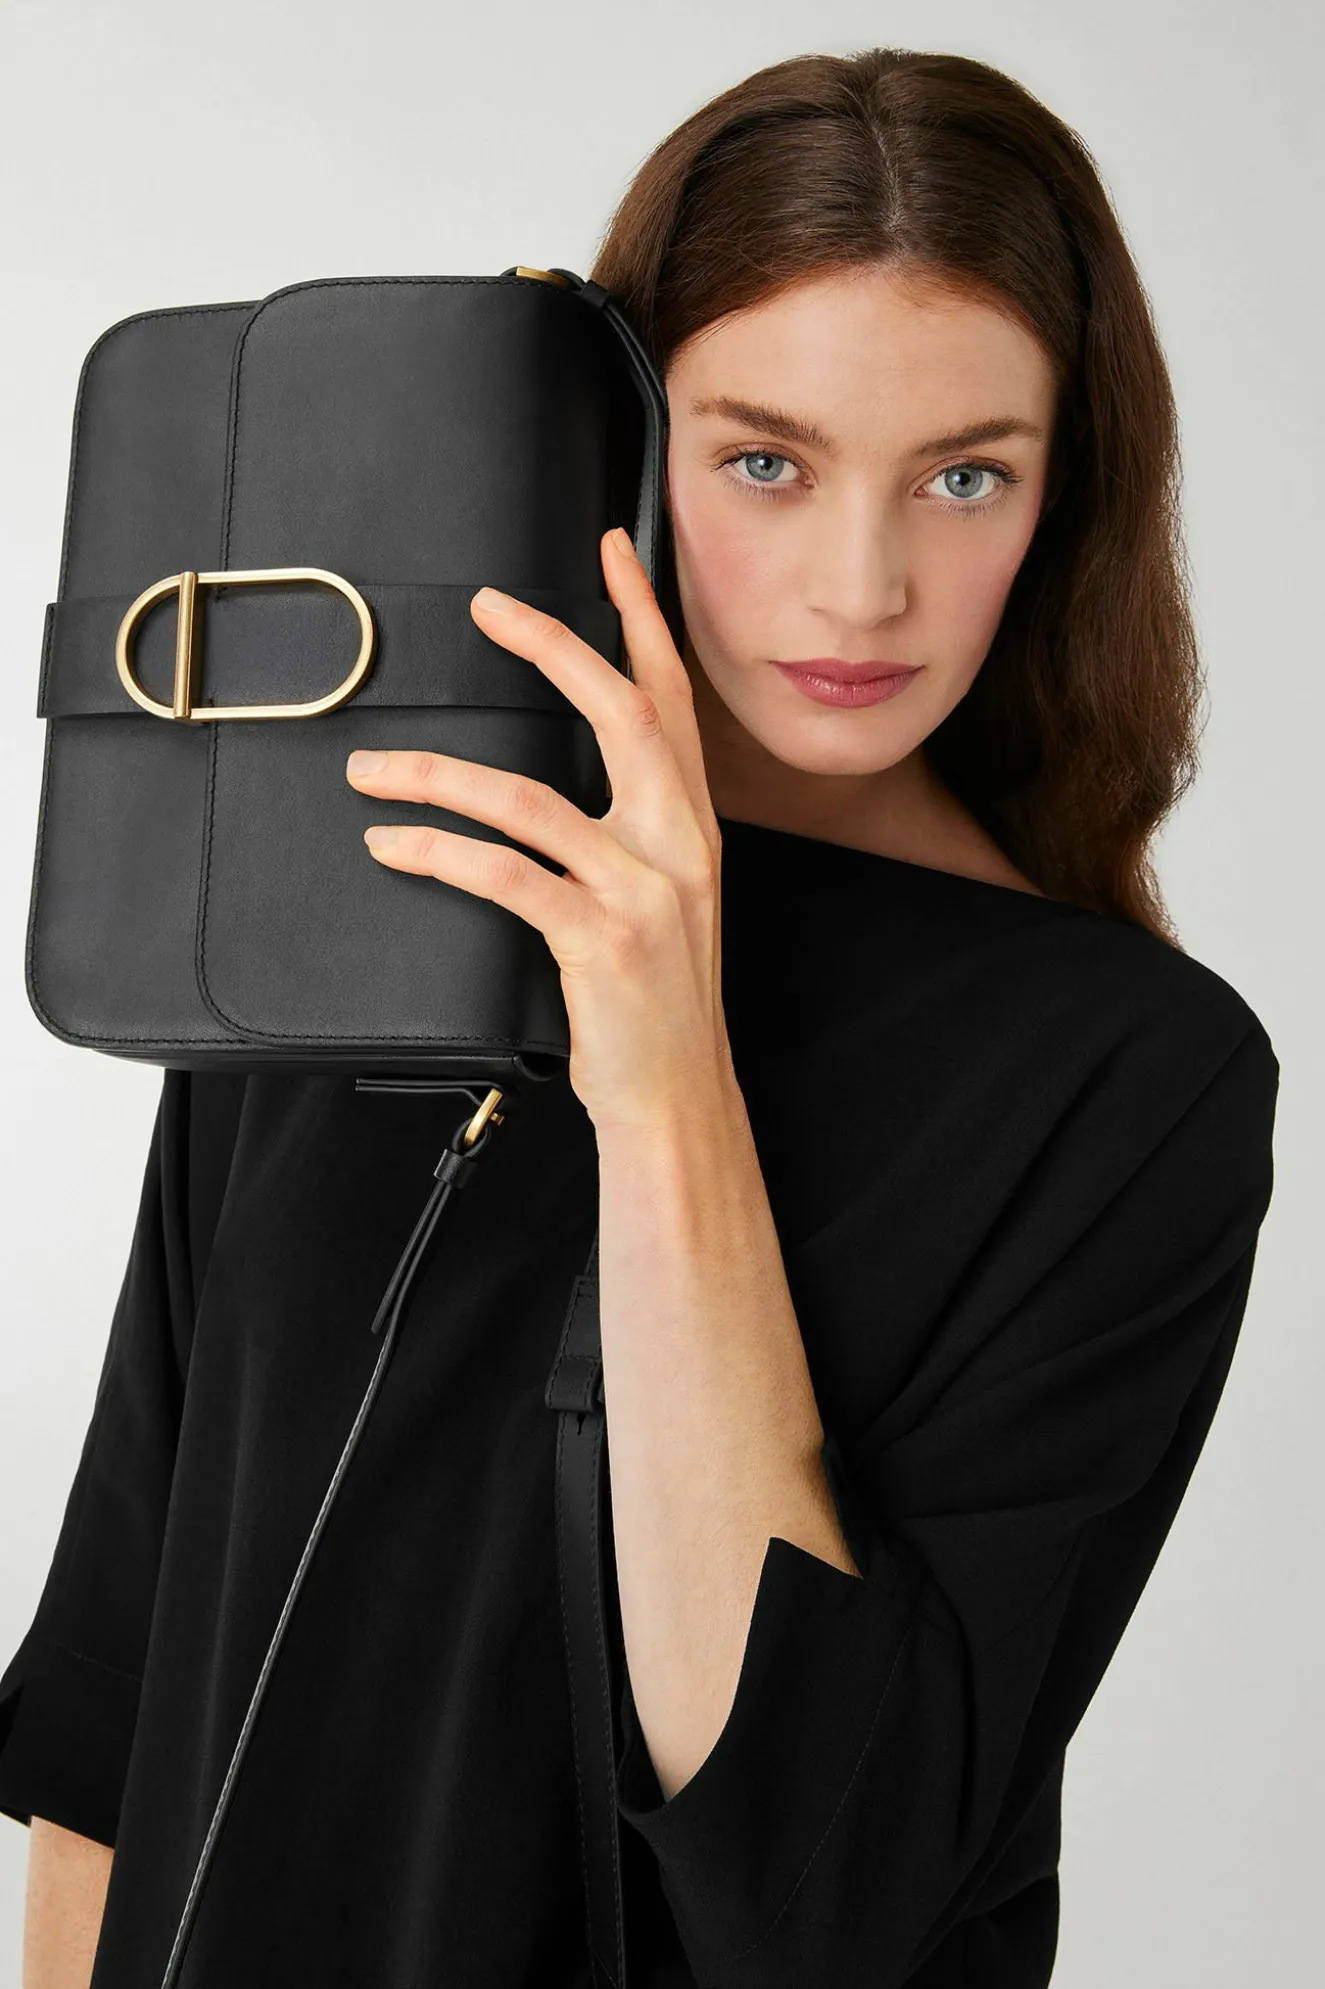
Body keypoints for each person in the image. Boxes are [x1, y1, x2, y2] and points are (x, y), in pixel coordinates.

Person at [0, 44, 1279, 1989]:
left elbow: (816, 1880)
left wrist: (671, 1077)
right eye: (764, 461)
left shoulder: (1128, 1076)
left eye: (964, 476)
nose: (863, 588)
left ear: (1061, 496)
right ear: (608, 444)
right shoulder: (377, 883)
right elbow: (114, 1700)